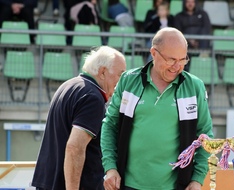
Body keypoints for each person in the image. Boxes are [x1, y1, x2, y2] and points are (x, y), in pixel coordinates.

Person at [101, 27, 214, 190]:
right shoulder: (128, 80)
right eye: (171, 60)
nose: (177, 66)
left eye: (183, 60)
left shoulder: (194, 87)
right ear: (154, 53)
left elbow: (205, 136)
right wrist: (110, 168)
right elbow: (109, 125)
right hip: (127, 185)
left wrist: (197, 179)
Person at [31, 46, 126, 189]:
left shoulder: (68, 85)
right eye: (120, 75)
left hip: (49, 183)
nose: (122, 82)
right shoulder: (92, 98)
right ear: (103, 72)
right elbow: (75, 147)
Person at [174, 0, 212, 71]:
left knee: (204, 32)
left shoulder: (203, 14)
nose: (190, 4)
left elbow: (207, 28)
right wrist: (189, 40)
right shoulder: (178, 16)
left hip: (201, 43)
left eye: (192, 2)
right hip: (185, 44)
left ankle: (203, 55)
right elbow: (178, 32)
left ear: (195, 3)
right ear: (184, 3)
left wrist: (198, 40)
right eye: (188, 2)